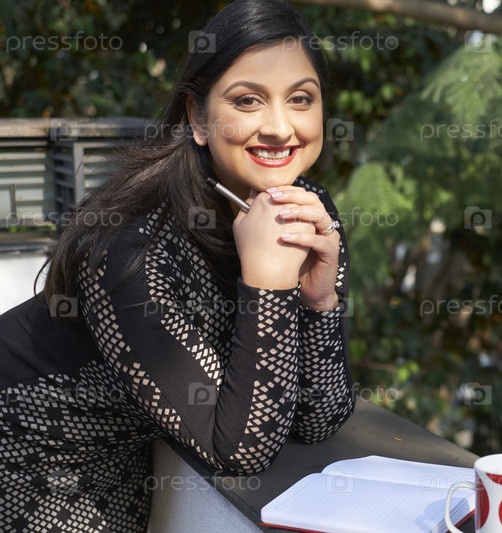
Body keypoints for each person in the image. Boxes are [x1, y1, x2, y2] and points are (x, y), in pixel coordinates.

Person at [0, 0, 355, 530]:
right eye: (248, 100)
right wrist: (266, 282)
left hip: (121, 457)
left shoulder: (306, 211)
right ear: (198, 118)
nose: (281, 127)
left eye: (301, 98)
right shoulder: (131, 246)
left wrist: (320, 300)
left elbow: (318, 418)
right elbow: (242, 452)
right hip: (30, 453)